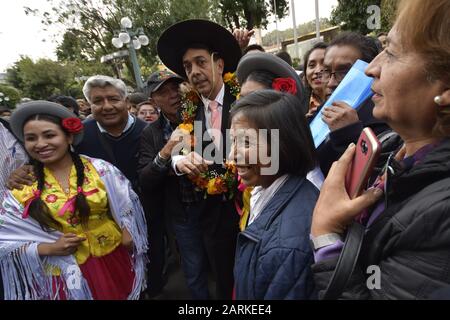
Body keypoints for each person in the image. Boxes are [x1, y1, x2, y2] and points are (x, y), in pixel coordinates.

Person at [311, 0, 450, 299]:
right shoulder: (390, 147)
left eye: (394, 52)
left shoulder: (441, 220)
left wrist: (326, 238)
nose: (372, 69)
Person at [0, 101, 147, 300]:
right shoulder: (23, 186)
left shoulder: (101, 170)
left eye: (49, 135)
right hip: (62, 273)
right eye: (31, 138)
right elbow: (6, 240)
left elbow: (127, 206)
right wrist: (49, 248)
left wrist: (128, 231)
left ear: (69, 136)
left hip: (112, 260)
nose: (41, 144)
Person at [157, 19, 242, 299]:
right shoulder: (191, 110)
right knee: (223, 279)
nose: (194, 72)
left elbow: (273, 156)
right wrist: (179, 161)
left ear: (219, 65)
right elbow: (178, 149)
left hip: (250, 211)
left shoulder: (244, 100)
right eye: (187, 66)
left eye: (200, 62)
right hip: (211, 218)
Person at [230, 90, 318, 299]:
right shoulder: (266, 191)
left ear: (283, 146)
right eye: (233, 141)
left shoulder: (286, 247)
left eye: (247, 143)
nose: (232, 155)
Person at [311, 32, 389, 176]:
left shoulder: (384, 121)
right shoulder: (322, 112)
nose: (331, 83)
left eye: (344, 72)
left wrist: (349, 133)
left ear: (370, 72)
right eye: (327, 71)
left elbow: (374, 183)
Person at [138, 70, 184, 297]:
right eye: (164, 92)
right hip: (180, 214)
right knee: (192, 268)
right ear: (153, 101)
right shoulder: (151, 133)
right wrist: (166, 152)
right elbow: (146, 178)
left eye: (175, 88)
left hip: (216, 208)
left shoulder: (204, 116)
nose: (173, 95)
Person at [303, 42, 328, 118]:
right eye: (312, 65)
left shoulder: (348, 100)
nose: (318, 71)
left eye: (324, 64)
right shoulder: (295, 105)